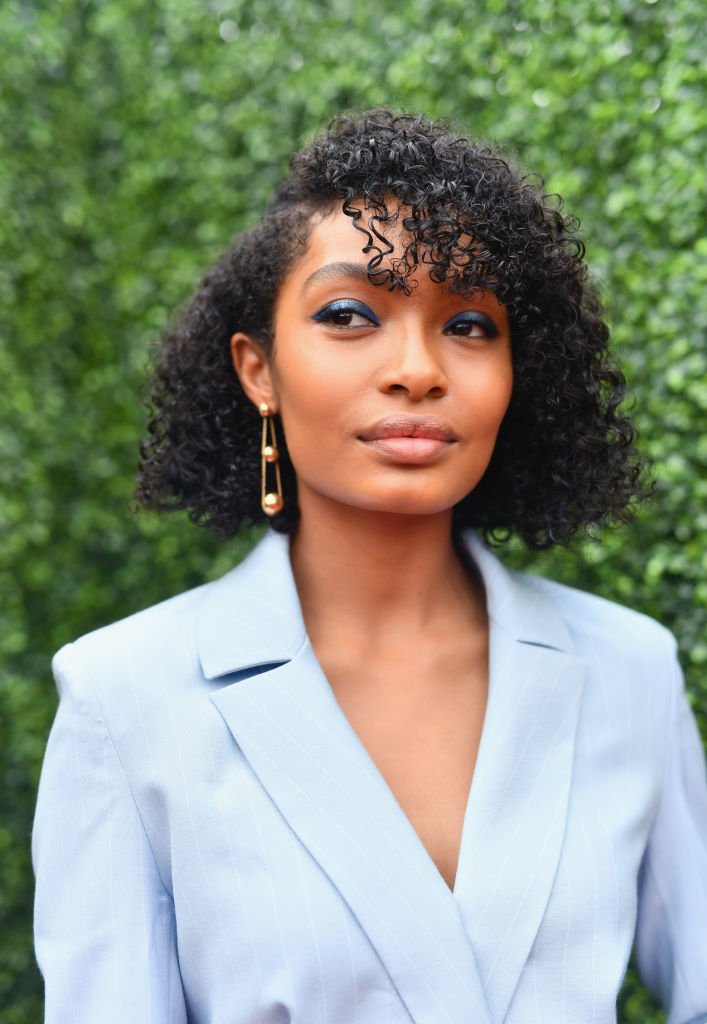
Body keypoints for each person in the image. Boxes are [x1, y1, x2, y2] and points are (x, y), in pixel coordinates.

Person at [32, 109, 707, 1024]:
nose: (418, 369)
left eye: (470, 323)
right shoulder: (125, 695)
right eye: (349, 314)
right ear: (257, 368)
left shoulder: (629, 670)